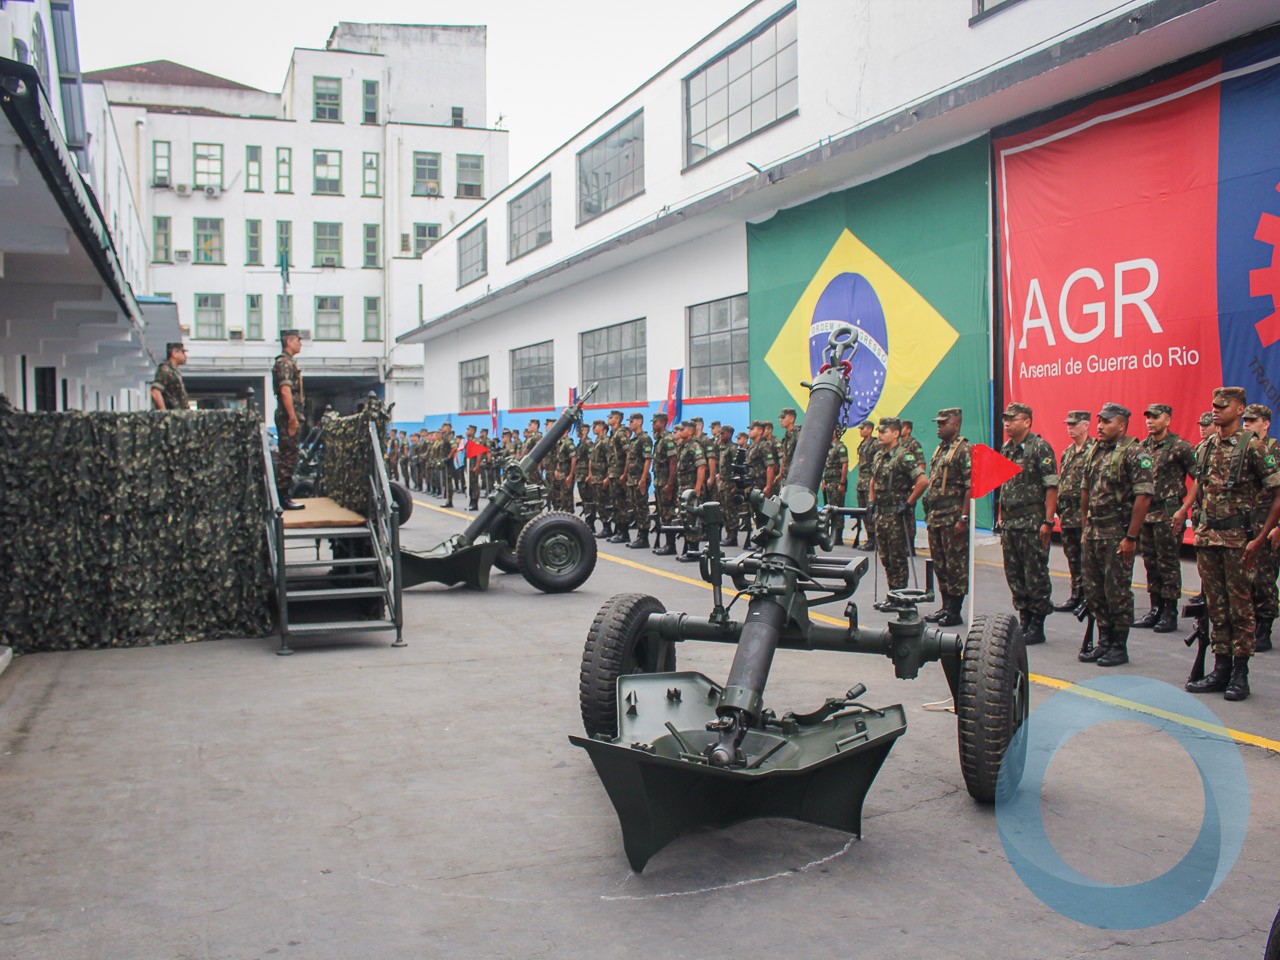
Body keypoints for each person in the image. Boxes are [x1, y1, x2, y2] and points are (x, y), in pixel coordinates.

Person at [1172, 387, 1280, 701]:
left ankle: (1240, 674)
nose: (1216, 410)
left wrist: (1260, 538)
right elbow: (1200, 486)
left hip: (1238, 541)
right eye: (1214, 406)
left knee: (1241, 609)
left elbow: (1277, 493)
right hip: (1208, 539)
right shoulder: (1204, 447)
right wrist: (1184, 511)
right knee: (1216, 608)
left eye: (1223, 406)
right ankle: (1220, 669)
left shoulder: (1254, 448)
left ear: (1239, 408)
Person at [1078, 403, 1154, 667]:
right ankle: (1104, 641)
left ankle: (1119, 646)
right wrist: (1086, 526)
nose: (1100, 426)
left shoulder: (1135, 453)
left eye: (1106, 422)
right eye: (1099, 421)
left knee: (1117, 592)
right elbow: (1085, 488)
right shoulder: (1095, 451)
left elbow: (1143, 496)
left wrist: (1131, 537)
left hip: (1116, 533)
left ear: (1121, 425)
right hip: (1095, 532)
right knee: (1095, 591)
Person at [1133, 403, 1197, 632]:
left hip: (1168, 513)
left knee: (1168, 563)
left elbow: (1199, 477)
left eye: (1155, 417)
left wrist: (1183, 509)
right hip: (1147, 514)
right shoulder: (1142, 447)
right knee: (1150, 563)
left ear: (1167, 420)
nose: (1150, 421)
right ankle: (1155, 608)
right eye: (1147, 417)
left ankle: (1169, 612)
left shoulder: (1180, 447)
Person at [998, 402, 1058, 645]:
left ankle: (1037, 624)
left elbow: (1051, 485)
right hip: (1011, 523)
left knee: (1035, 573)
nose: (1007, 424)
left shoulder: (1040, 447)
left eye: (1013, 419)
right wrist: (1001, 516)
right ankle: (1024, 618)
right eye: (1005, 419)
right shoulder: (1007, 449)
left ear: (1027, 422)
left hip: (1032, 521)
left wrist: (1048, 521)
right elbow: (1004, 484)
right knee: (1014, 573)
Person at [923, 408, 971, 626]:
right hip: (936, 517)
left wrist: (964, 517)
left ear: (957, 424)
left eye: (944, 423)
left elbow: (970, 487)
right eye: (938, 423)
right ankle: (945, 606)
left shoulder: (963, 451)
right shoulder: (940, 450)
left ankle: (955, 610)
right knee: (941, 564)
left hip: (952, 518)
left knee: (955, 565)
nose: (939, 427)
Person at [869, 417, 926, 591]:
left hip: (897, 516)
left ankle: (900, 595)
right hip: (881, 513)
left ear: (895, 433)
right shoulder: (879, 455)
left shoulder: (904, 455)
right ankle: (892, 592)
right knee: (885, 557)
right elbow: (873, 480)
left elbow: (923, 481)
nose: (879, 435)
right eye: (878, 431)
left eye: (884, 431)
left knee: (897, 558)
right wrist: (871, 501)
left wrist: (908, 503)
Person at [1245, 404, 1280, 653]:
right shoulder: (1242, 450)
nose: (1246, 424)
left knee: (1265, 578)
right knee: (1245, 579)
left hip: (1268, 524)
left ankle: (1264, 628)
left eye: (1252, 420)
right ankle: (1249, 623)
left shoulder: (1276, 451)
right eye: (1244, 419)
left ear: (1265, 423)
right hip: (1244, 523)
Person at [1054, 411, 1094, 613]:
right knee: (1072, 555)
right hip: (1068, 514)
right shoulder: (1068, 451)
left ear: (1086, 425)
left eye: (1074, 424)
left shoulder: (1094, 450)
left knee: (1087, 557)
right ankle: (1076, 593)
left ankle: (1088, 596)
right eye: (1068, 424)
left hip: (1084, 514)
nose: (1070, 428)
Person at [272, 330, 306, 510]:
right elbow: (285, 391)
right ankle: (281, 498)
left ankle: (283, 497)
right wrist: (292, 418)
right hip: (288, 417)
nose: (301, 343)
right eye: (298, 340)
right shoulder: (284, 362)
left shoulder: (288, 362)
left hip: (289, 416)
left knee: (290, 456)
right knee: (288, 457)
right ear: (290, 341)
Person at [673, 420, 707, 562]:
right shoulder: (683, 446)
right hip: (684, 488)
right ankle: (688, 548)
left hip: (691, 489)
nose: (680, 431)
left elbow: (701, 467)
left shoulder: (695, 446)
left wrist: (697, 488)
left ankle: (693, 549)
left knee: (692, 520)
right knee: (685, 519)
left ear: (691, 431)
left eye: (683, 429)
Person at [623, 413, 654, 548]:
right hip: (632, 479)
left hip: (639, 479)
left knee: (642, 508)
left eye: (632, 421)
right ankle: (639, 535)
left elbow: (648, 459)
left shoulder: (645, 439)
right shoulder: (634, 439)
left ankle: (644, 537)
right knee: (635, 507)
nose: (630, 423)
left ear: (639, 421)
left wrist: (643, 479)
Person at [651, 412, 679, 555]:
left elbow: (673, 461)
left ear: (662, 422)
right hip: (659, 482)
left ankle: (671, 544)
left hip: (666, 483)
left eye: (655, 422)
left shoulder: (667, 439)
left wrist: (670, 484)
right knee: (663, 514)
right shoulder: (660, 440)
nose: (653, 425)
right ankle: (667, 544)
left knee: (668, 514)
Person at [820, 427, 849, 546]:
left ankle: (838, 535)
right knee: (829, 509)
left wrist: (842, 483)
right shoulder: (828, 447)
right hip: (829, 482)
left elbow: (845, 465)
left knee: (837, 509)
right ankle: (830, 533)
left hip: (837, 482)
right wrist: (824, 481)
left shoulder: (840, 447)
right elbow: (826, 466)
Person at [716, 424, 744, 547]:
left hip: (730, 483)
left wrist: (736, 485)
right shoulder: (723, 448)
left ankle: (733, 536)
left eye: (722, 433)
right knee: (725, 510)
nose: (720, 435)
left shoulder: (733, 448)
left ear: (729, 434)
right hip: (723, 483)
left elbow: (738, 467)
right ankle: (728, 534)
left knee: (731, 510)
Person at [588, 419, 616, 538]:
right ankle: (605, 527)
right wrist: (590, 474)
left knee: (604, 504)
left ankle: (607, 527)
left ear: (602, 427)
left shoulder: (606, 441)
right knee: (599, 504)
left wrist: (608, 478)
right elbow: (591, 460)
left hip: (602, 477)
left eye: (595, 426)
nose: (593, 428)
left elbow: (611, 460)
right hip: (595, 477)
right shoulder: (597, 441)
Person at [854, 419, 877, 550]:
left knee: (870, 511)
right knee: (863, 511)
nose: (861, 431)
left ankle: (874, 540)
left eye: (863, 428)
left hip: (870, 482)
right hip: (861, 481)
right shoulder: (862, 444)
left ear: (869, 429)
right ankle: (870, 537)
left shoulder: (875, 444)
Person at [150, 342, 189, 411]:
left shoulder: (174, 371)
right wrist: (164, 413)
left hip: (178, 415)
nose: (185, 356)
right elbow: (155, 392)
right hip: (172, 416)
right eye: (182, 352)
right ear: (174, 353)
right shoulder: (165, 369)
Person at [778, 407, 799, 477]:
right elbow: (784, 457)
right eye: (780, 417)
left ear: (792, 419)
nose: (780, 420)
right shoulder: (785, 437)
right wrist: (780, 474)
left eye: (783, 417)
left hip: (796, 475)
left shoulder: (799, 434)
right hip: (786, 475)